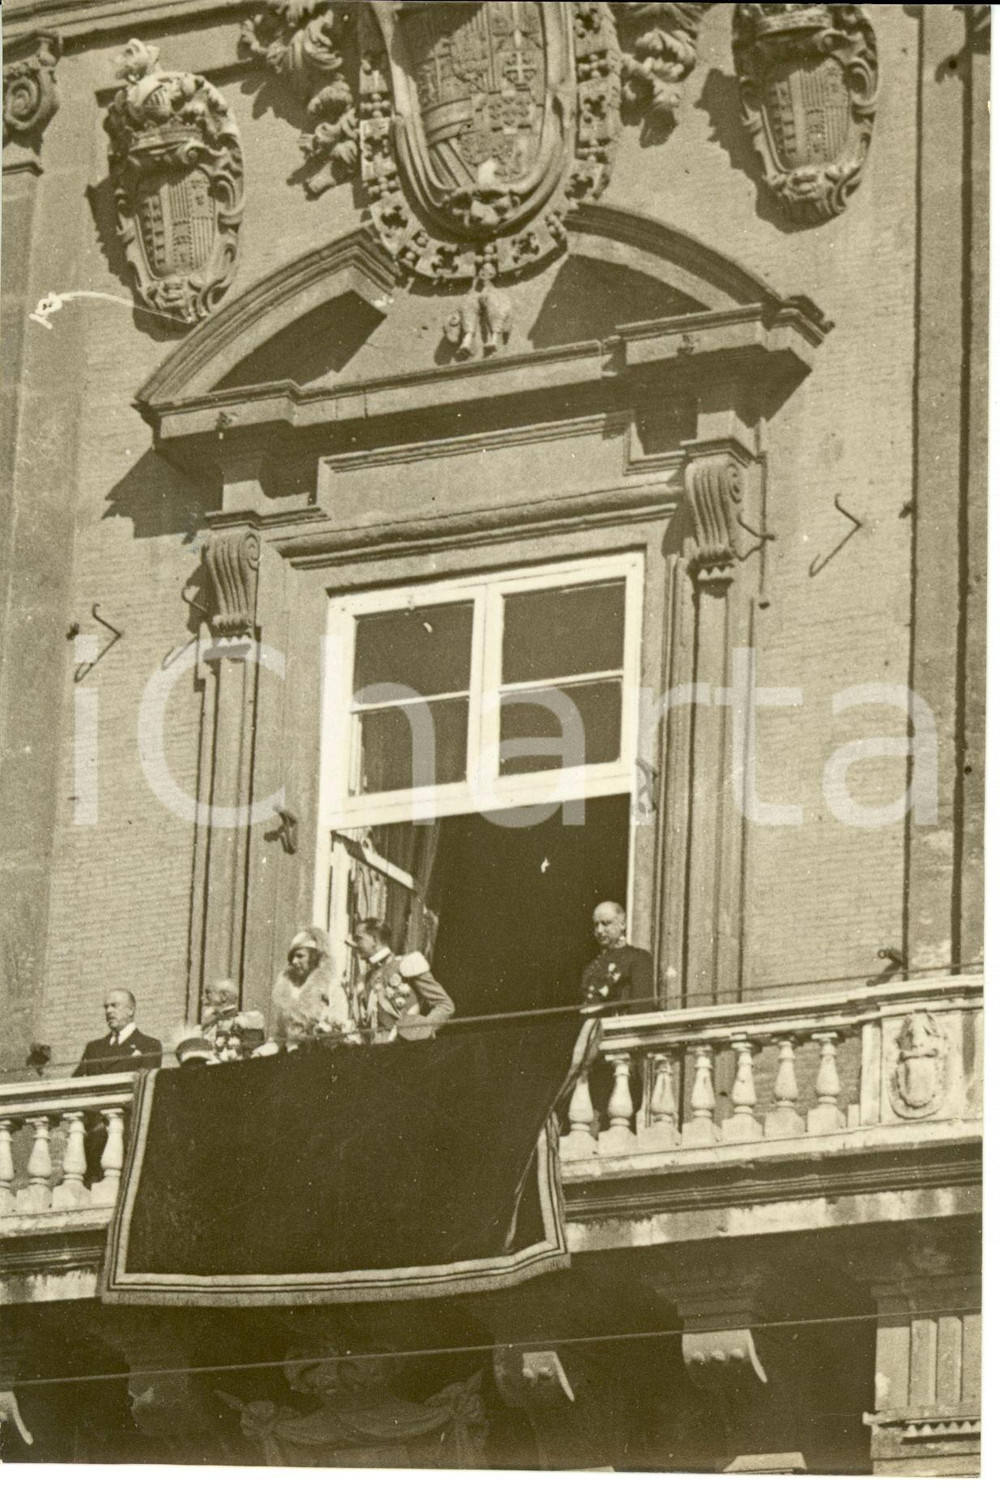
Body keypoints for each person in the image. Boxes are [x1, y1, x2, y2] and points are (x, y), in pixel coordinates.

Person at [352, 918, 454, 1042]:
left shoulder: (406, 964)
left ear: (375, 939)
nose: (355, 944)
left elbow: (445, 1005)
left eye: (358, 939)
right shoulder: (365, 978)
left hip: (405, 1050)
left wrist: (418, 1031)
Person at [270, 927, 350, 1047]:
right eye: (292, 957)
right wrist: (260, 1052)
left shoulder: (332, 989)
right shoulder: (290, 990)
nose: (294, 961)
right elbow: (279, 1038)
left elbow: (340, 1028)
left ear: (314, 957)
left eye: (300, 956)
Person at [578, 902, 655, 1012]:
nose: (599, 930)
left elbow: (641, 1008)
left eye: (606, 923)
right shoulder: (591, 964)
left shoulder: (638, 958)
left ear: (622, 924)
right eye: (596, 924)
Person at [73, 989, 162, 1076]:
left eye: (114, 1005)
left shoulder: (149, 1045)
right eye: (106, 1007)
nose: (108, 1011)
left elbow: (142, 1084)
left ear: (130, 1010)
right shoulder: (93, 1048)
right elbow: (75, 1084)